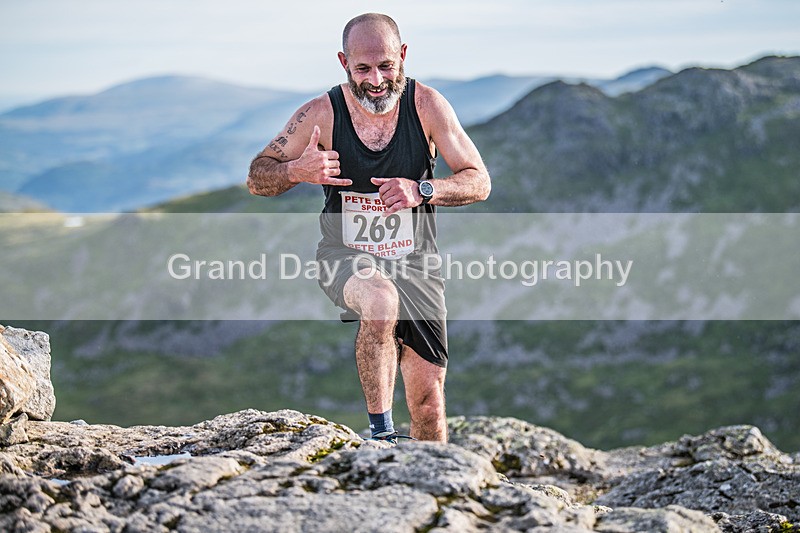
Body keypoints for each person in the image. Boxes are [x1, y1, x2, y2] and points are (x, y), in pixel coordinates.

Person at [247, 13, 490, 443]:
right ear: (344, 62)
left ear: (403, 56)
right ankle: (381, 435)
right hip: (345, 255)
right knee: (380, 301)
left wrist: (423, 189)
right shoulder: (321, 112)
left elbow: (479, 180)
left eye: (386, 66)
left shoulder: (427, 105)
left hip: (416, 263)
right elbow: (257, 176)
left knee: (430, 404)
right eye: (362, 68)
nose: (376, 80)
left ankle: (429, 488)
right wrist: (297, 171)